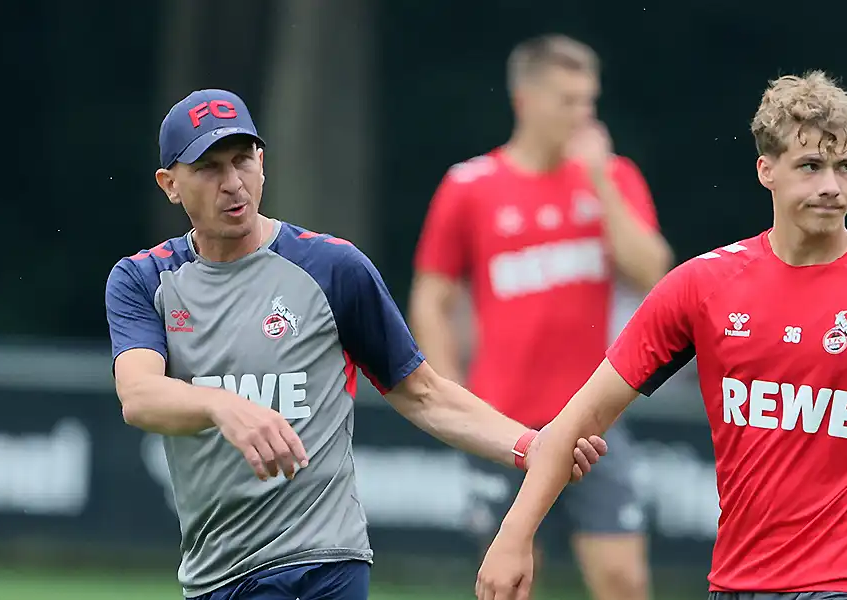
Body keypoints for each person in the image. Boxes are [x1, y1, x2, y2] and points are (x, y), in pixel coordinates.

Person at [475, 71, 847, 600]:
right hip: (734, 584)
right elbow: (581, 417)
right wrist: (514, 534)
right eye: (811, 166)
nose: (831, 186)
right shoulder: (701, 286)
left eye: (845, 166)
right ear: (767, 170)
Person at [104, 88, 609, 600]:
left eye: (242, 160)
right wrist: (222, 406)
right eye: (209, 168)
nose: (233, 183)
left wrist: (530, 446)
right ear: (170, 185)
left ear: (262, 161)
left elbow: (422, 393)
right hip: (216, 574)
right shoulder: (145, 279)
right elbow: (140, 396)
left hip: (325, 563)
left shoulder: (333, 268)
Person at [410, 35, 672, 600]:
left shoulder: (614, 177)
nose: (583, 115)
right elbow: (432, 298)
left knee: (624, 581)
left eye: (589, 100)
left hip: (595, 421)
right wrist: (452, 392)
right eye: (568, 100)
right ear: (525, 100)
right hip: (503, 421)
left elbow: (655, 274)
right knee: (506, 582)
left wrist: (599, 180)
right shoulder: (470, 186)